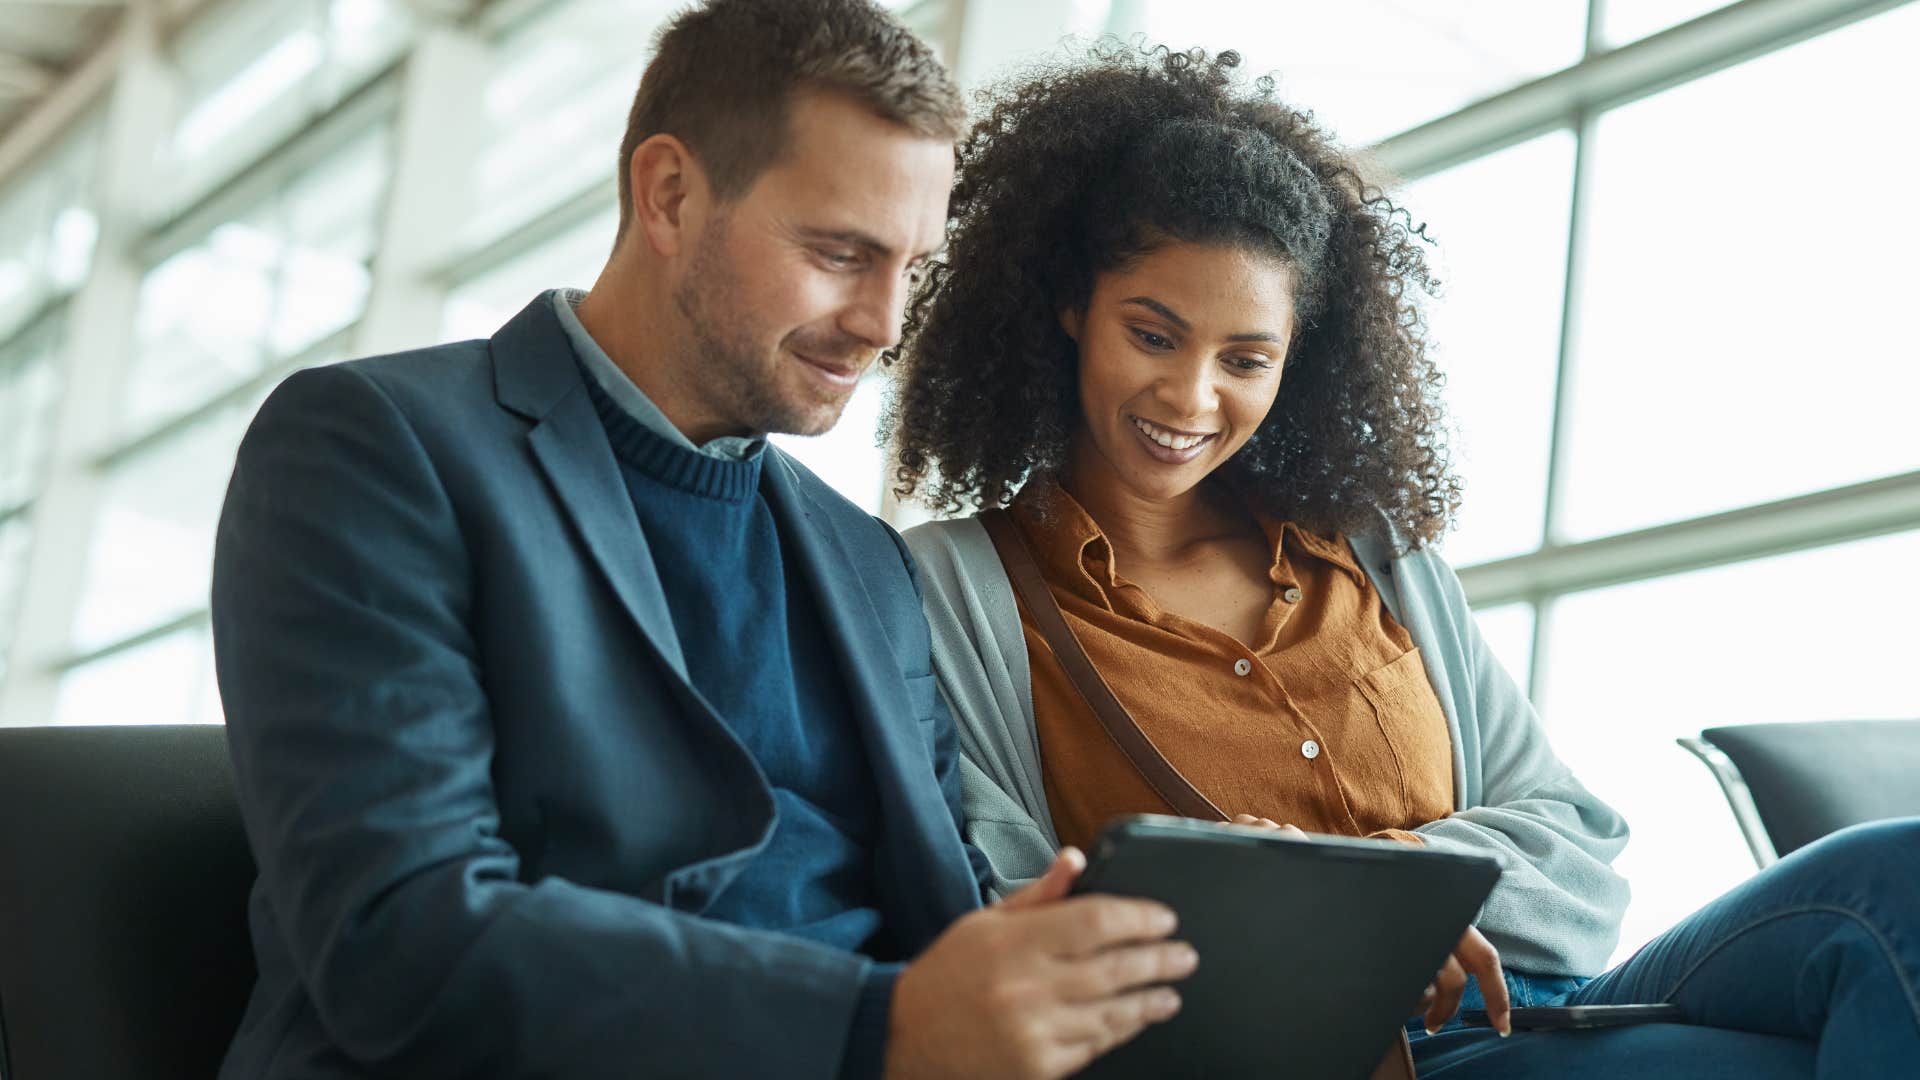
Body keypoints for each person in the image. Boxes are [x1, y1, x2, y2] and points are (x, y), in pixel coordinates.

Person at [891, 40, 1920, 1078]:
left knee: (1902, 875)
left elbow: (1576, 844)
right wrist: (1304, 919)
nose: (1192, 398)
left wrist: (1386, 877)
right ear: (1073, 306)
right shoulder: (951, 592)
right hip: (1341, 1055)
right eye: (1153, 336)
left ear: (1297, 362)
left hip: (1536, 1008)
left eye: (1246, 360)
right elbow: (1003, 914)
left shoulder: (1376, 556)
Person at [210, 4, 1204, 1077]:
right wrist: (881, 1027)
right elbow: (400, 937)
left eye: (912, 267)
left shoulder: (865, 560)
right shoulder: (379, 449)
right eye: (840, 252)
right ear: (671, 195)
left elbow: (940, 911)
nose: (883, 323)